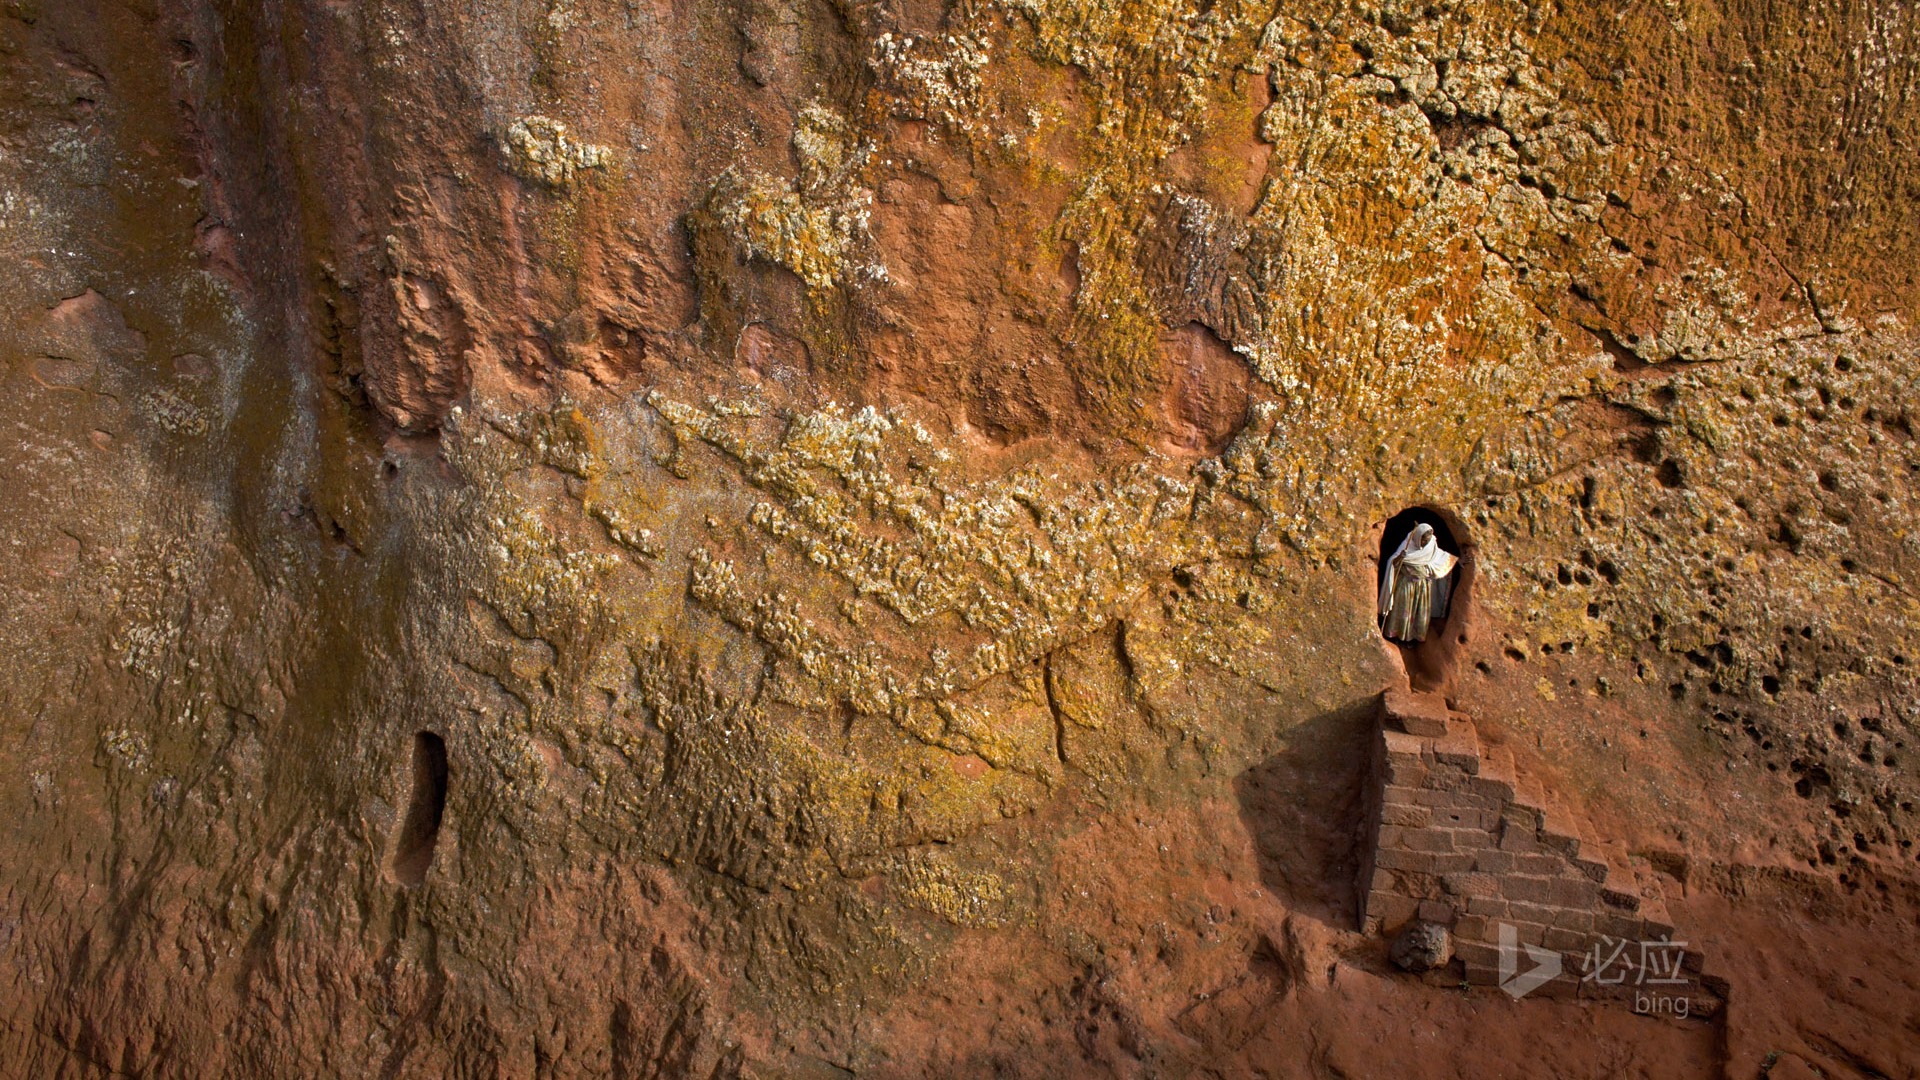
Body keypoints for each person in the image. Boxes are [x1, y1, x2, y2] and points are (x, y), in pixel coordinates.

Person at [1379, 522, 1457, 643]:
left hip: (1423, 587)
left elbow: (1443, 557)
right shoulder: (1408, 545)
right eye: (1423, 540)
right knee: (1403, 610)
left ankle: (1412, 639)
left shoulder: (1431, 545)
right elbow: (1393, 563)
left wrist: (1458, 560)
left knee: (1419, 612)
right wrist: (1401, 557)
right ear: (1417, 537)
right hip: (1406, 585)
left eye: (1427, 540)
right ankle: (1397, 637)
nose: (1425, 543)